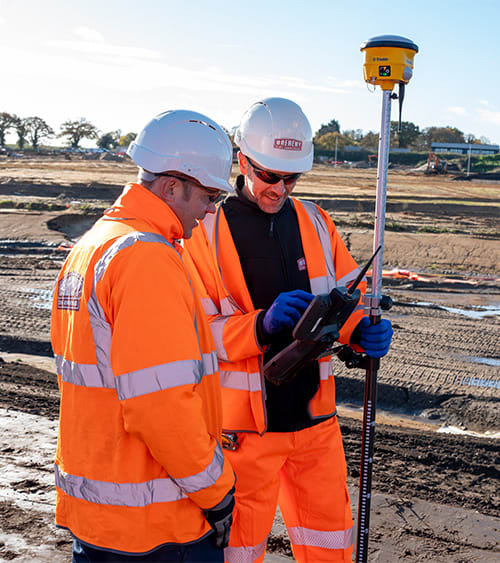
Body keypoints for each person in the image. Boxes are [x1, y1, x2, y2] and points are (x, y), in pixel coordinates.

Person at [185, 97, 393, 562]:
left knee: (330, 547)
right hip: (242, 436)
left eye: (291, 178)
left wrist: (362, 331)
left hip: (315, 426)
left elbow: (345, 297)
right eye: (268, 175)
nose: (280, 188)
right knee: (237, 552)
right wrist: (260, 325)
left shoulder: (316, 222)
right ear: (242, 161)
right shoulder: (206, 231)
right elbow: (198, 334)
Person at [51, 109, 237, 562]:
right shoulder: (146, 259)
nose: (211, 209)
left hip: (101, 518)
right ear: (171, 186)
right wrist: (216, 492)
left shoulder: (95, 244)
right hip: (155, 528)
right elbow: (161, 406)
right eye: (209, 195)